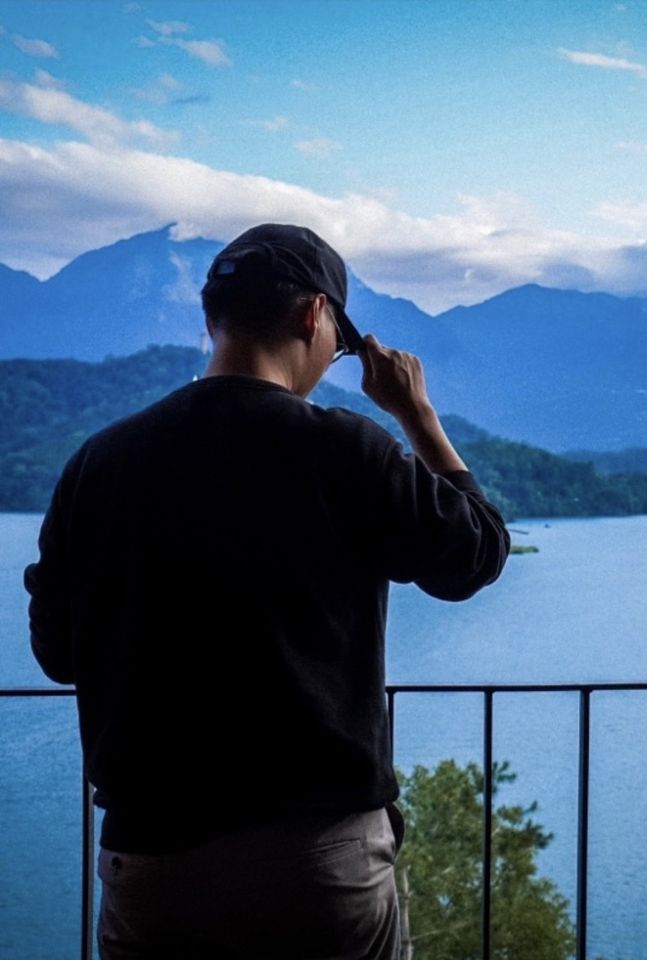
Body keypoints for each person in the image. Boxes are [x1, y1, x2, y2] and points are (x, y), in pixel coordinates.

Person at [23, 223, 510, 959]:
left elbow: (58, 653)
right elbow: (476, 553)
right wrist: (416, 414)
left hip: (151, 863)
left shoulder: (98, 463)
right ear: (314, 314)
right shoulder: (345, 449)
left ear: (211, 321)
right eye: (339, 345)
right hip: (319, 862)